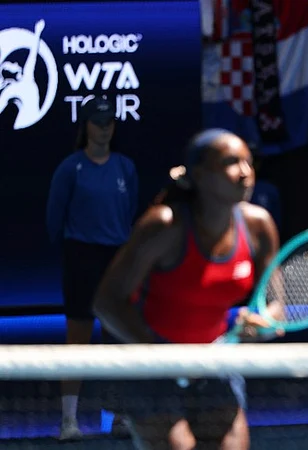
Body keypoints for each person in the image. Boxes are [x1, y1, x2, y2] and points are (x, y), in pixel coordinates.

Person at [93, 128, 281, 449]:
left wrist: (261, 324)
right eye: (231, 163)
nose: (245, 172)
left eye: (249, 162)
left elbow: (275, 305)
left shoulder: (258, 226)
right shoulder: (164, 226)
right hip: (152, 366)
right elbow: (107, 303)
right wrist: (163, 355)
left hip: (217, 361)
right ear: (200, 174)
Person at [45, 96, 138, 440]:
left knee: (118, 341)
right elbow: (54, 219)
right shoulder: (70, 168)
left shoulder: (125, 167)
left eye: (109, 121)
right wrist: (77, 250)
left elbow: (129, 212)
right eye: (98, 122)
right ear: (85, 126)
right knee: (78, 340)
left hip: (116, 259)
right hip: (82, 258)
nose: (104, 128)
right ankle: (68, 421)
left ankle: (119, 417)